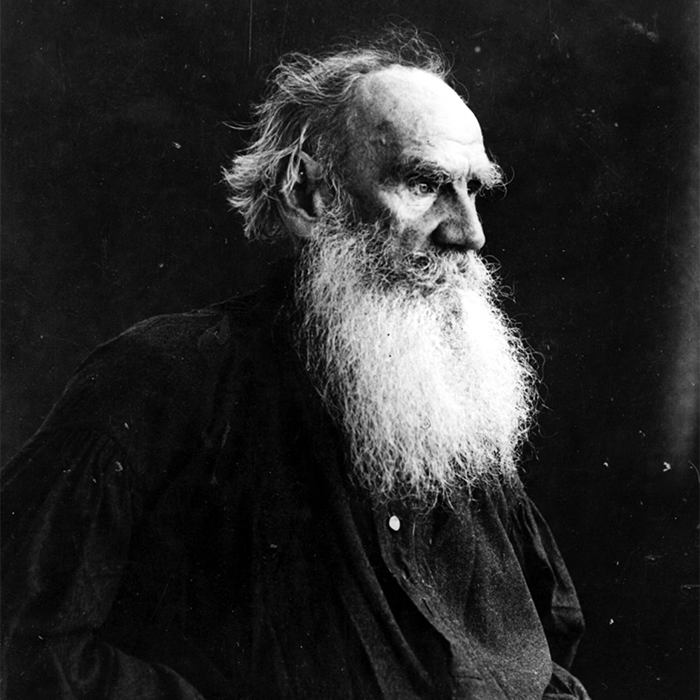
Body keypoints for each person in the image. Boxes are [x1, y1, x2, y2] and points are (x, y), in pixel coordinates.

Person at [0, 32, 591, 700]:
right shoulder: (164, 378)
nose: (469, 232)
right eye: (424, 184)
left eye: (473, 189)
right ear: (310, 195)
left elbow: (545, 644)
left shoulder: (449, 413)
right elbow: (21, 648)